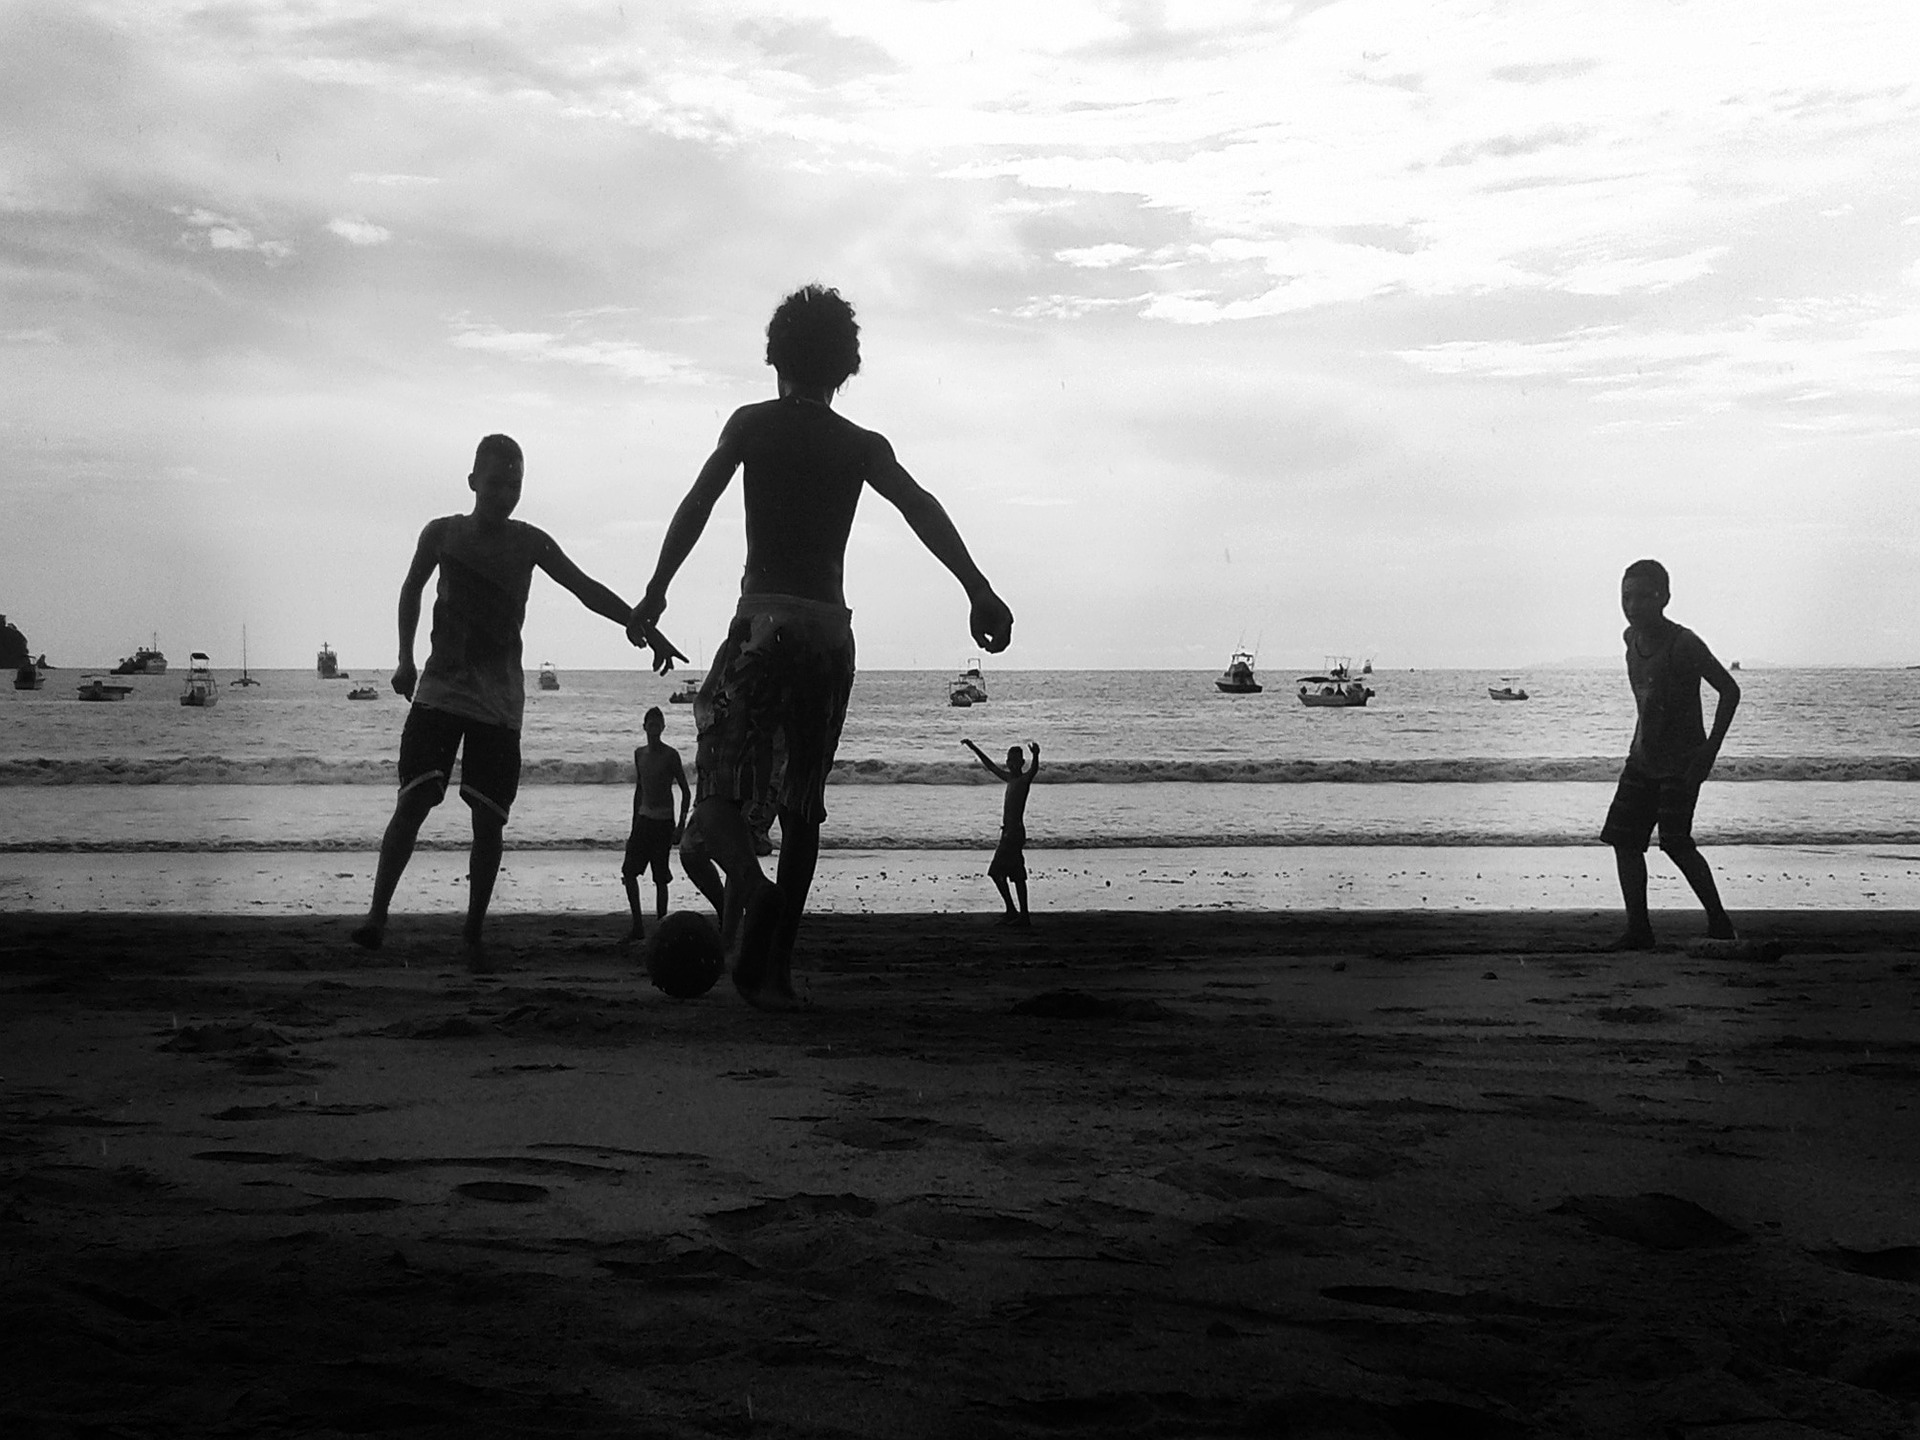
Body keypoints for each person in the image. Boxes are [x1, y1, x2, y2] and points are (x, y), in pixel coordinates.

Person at [630, 284, 1015, 1007]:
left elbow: (699, 502)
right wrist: (978, 588)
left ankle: (747, 882)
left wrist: (655, 590)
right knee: (804, 805)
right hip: (828, 637)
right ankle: (775, 973)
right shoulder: (860, 445)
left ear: (776, 358)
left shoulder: (750, 425)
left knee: (715, 789)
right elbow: (919, 506)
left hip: (764, 622)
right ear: (846, 368)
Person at [352, 434, 680, 971]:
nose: (505, 492)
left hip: (500, 704)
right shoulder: (442, 534)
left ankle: (473, 932)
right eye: (497, 481)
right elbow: (411, 588)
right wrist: (404, 659)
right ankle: (376, 916)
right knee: (413, 801)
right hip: (439, 690)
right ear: (473, 481)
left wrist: (642, 625)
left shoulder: (529, 543)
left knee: (488, 821)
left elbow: (585, 588)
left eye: (515, 484)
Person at [1600, 558, 1741, 949]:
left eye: (1644, 597)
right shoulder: (1631, 640)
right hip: (1642, 758)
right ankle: (1638, 929)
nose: (1633, 605)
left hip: (1680, 765)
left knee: (1676, 842)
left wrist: (1708, 752)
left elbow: (1729, 690)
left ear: (1664, 598)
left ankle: (1719, 922)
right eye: (1627, 596)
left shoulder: (1684, 644)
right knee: (1624, 841)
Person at [621, 706, 708, 943]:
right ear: (645, 727)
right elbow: (639, 790)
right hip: (644, 819)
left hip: (663, 822)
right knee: (629, 872)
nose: (654, 729)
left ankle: (661, 927)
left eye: (658, 725)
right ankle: (638, 925)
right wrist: (633, 823)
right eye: (651, 724)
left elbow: (685, 790)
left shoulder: (670, 755)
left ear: (663, 728)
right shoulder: (639, 754)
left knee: (660, 877)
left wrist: (681, 824)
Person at [962, 739, 1040, 925]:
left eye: (1014, 760)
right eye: (1009, 760)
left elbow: (1034, 771)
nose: (1010, 763)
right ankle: (1016, 912)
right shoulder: (1010, 779)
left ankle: (1020, 914)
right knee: (1011, 874)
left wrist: (1036, 755)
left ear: (1021, 763)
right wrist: (974, 747)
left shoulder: (1022, 780)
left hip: (1014, 834)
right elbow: (990, 766)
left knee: (1002, 873)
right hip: (1009, 833)